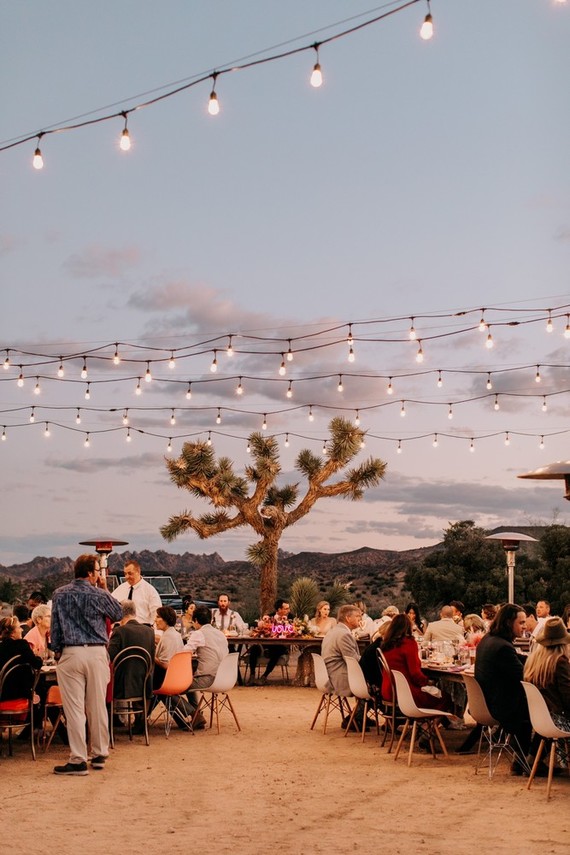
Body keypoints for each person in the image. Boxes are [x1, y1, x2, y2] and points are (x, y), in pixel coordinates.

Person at [50, 553, 122, 775]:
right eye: (98, 569)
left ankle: (78, 758)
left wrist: (58, 652)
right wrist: (104, 587)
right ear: (91, 573)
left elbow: (55, 628)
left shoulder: (59, 594)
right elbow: (118, 612)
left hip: (71, 652)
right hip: (97, 652)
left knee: (74, 709)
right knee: (97, 705)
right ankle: (99, 753)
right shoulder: (99, 595)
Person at [474, 603, 532, 774]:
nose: (525, 626)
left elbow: (516, 659)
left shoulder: (489, 640)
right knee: (546, 709)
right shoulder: (503, 647)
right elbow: (524, 676)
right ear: (508, 623)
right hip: (503, 707)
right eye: (521, 623)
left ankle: (526, 759)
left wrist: (534, 659)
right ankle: (527, 760)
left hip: (485, 703)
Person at [381, 614, 451, 713]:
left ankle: (425, 725)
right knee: (446, 698)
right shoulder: (408, 643)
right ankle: (430, 726)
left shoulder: (386, 645)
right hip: (407, 693)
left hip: (388, 690)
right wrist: (428, 681)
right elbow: (415, 673)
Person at [524, 617, 570, 737]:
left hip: (541, 720)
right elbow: (567, 696)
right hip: (560, 722)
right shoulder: (560, 662)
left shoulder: (533, 661)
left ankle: (533, 754)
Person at [184, 605, 228, 727]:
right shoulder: (221, 634)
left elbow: (183, 654)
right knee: (189, 681)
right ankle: (195, 717)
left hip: (208, 679)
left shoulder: (199, 634)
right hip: (225, 678)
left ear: (196, 620)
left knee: (175, 688)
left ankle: (195, 714)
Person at [321, 604, 362, 698]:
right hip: (341, 679)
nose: (360, 618)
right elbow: (354, 661)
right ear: (348, 618)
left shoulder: (333, 631)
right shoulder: (344, 635)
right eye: (357, 616)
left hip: (329, 676)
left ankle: (360, 710)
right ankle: (361, 711)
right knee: (377, 681)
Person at [248, 599, 291, 686]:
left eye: (288, 608)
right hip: (266, 643)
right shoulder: (269, 616)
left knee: (277, 650)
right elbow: (256, 625)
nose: (288, 610)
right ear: (279, 609)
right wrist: (261, 624)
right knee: (254, 648)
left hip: (281, 645)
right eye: (286, 608)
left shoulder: (291, 618)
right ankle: (252, 675)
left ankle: (264, 677)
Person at [0, 615, 42, 698]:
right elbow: (37, 664)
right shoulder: (21, 645)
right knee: (41, 688)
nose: (22, 629)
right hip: (19, 692)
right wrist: (37, 657)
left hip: (2, 692)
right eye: (19, 627)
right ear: (12, 633)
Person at [111, 560, 162, 626]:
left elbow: (156, 614)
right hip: (123, 630)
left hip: (142, 629)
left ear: (138, 572)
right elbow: (111, 606)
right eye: (125, 574)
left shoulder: (150, 591)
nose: (126, 577)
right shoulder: (120, 590)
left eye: (130, 573)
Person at [153, 605, 185, 690]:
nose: (155, 620)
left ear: (166, 619)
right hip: (178, 675)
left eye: (158, 617)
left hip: (166, 678)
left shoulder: (168, 637)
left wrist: (152, 656)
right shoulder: (176, 634)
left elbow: (166, 665)